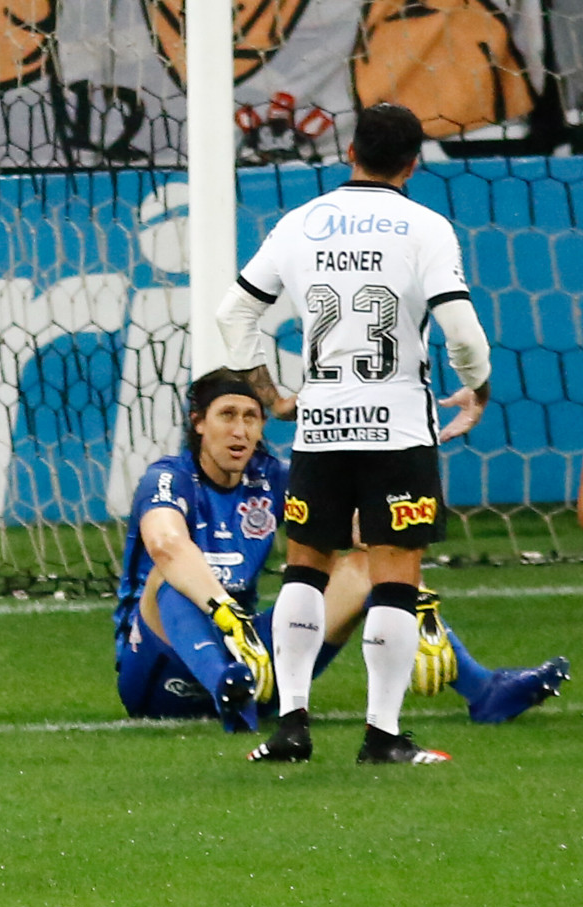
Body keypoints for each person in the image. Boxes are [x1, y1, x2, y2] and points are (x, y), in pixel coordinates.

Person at [215, 102, 493, 764]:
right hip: (397, 425)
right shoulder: (425, 227)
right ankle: (382, 734)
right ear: (414, 163)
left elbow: (235, 313)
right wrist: (477, 390)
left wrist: (271, 394)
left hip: (322, 424)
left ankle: (290, 725)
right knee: (392, 571)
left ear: (350, 151)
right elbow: (462, 332)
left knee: (305, 568)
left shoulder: (299, 223)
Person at [116, 372, 570, 729]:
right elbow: (166, 543)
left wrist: (421, 606)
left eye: (251, 417)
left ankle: (483, 691)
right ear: (198, 423)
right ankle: (226, 688)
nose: (240, 430)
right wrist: (224, 613)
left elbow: (366, 531)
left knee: (362, 570)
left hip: (251, 654)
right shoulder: (169, 477)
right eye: (226, 415)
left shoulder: (270, 476)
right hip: (159, 674)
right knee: (166, 580)